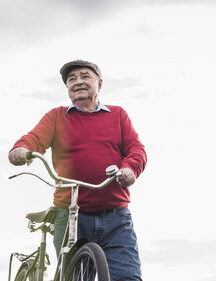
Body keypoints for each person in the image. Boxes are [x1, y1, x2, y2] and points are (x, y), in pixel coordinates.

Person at [8, 60, 147, 281]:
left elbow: (136, 149)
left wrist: (130, 169)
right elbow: (34, 138)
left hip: (115, 216)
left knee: (127, 276)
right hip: (71, 215)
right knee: (74, 277)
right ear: (67, 88)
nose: (78, 82)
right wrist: (21, 149)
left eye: (84, 76)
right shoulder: (57, 116)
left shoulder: (118, 115)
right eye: (71, 79)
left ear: (99, 84)